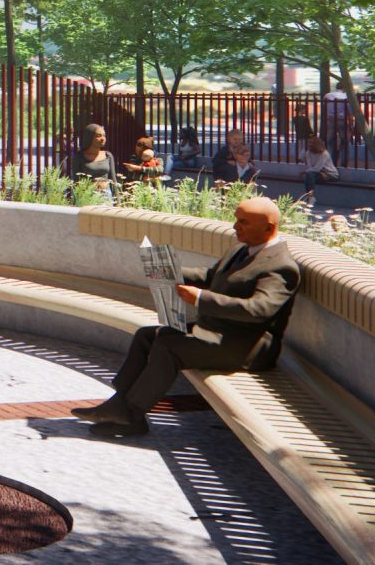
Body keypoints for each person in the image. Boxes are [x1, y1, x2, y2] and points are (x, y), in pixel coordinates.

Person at [72, 196, 300, 436]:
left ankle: (132, 415)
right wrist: (171, 272)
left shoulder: (281, 266)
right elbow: (213, 276)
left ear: (268, 228)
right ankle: (119, 403)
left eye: (243, 222)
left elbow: (259, 309)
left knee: (168, 347)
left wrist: (200, 298)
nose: (235, 226)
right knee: (147, 336)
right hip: (217, 332)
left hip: (244, 347)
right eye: (236, 220)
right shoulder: (242, 250)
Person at [70, 124, 118, 198]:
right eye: (98, 136)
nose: (103, 138)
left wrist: (117, 200)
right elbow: (76, 182)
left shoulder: (108, 155)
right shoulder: (79, 157)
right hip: (88, 196)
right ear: (89, 137)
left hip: (106, 196)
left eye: (104, 135)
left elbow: (113, 180)